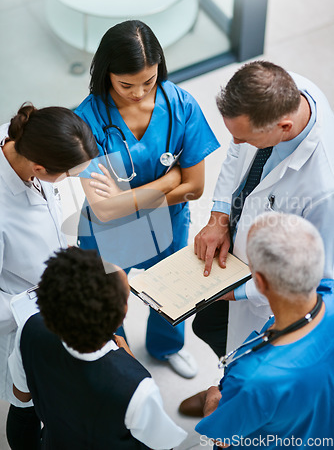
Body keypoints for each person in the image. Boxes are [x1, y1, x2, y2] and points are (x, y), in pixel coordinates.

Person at [179, 60, 334, 415]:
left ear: (284, 127)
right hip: (236, 253)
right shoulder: (286, 88)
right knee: (208, 325)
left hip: (263, 294)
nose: (235, 142)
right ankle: (223, 387)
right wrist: (219, 216)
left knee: (248, 365)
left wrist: (237, 291)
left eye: (245, 136)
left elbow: (314, 281)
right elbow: (238, 152)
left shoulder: (323, 191)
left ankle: (224, 397)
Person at [74, 19, 220, 378]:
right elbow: (104, 209)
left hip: (168, 226)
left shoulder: (181, 106)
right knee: (110, 300)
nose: (139, 93)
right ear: (107, 74)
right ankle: (119, 361)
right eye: (126, 85)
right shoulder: (85, 121)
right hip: (107, 235)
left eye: (149, 81)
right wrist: (168, 181)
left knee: (169, 291)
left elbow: (195, 187)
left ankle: (166, 346)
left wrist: (129, 200)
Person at [8, 246, 187, 450]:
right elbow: (162, 445)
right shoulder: (137, 387)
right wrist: (131, 365)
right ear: (121, 317)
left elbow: (22, 399)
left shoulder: (29, 329)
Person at [0, 103, 98, 449]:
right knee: (26, 402)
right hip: (21, 315)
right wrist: (41, 302)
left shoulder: (23, 142)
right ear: (40, 167)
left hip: (49, 292)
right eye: (66, 175)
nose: (69, 182)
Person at [195, 212, 334, 448]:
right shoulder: (328, 292)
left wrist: (212, 398)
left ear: (259, 282)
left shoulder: (252, 379)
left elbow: (222, 438)